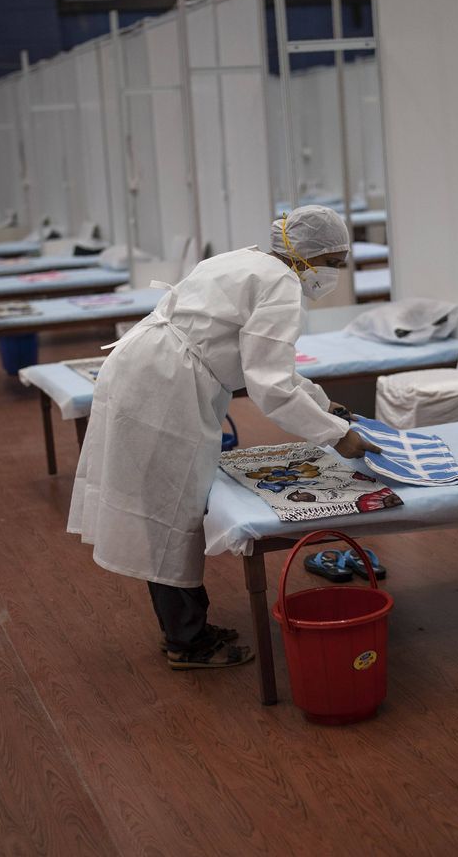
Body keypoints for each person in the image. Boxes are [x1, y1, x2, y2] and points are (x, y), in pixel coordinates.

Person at [68, 205, 380, 670]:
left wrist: (321, 404)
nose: (333, 274)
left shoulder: (249, 260)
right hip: (165, 385)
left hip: (150, 366)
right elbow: (269, 387)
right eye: (333, 263)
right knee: (170, 508)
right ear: (307, 256)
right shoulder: (281, 286)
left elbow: (271, 365)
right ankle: (187, 642)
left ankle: (185, 628)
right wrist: (337, 436)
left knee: (165, 504)